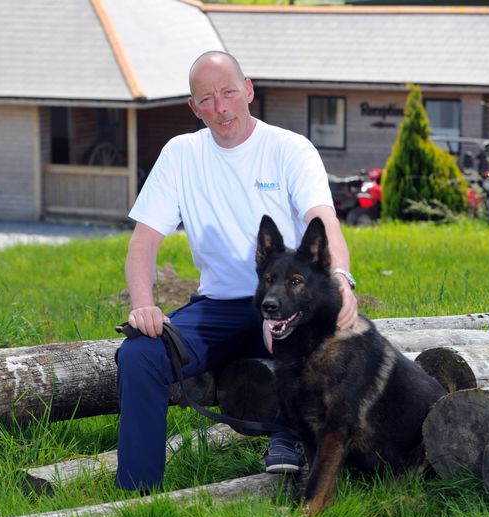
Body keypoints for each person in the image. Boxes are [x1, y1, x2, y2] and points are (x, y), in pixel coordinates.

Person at [115, 50, 358, 492]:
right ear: (194, 107)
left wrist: (341, 277)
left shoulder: (289, 149)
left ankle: (288, 440)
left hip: (287, 302)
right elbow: (143, 243)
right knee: (138, 356)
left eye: (228, 92)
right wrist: (144, 306)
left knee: (313, 332)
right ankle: (137, 490)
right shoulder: (180, 155)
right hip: (219, 307)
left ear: (248, 91)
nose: (221, 107)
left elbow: (322, 221)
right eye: (206, 99)